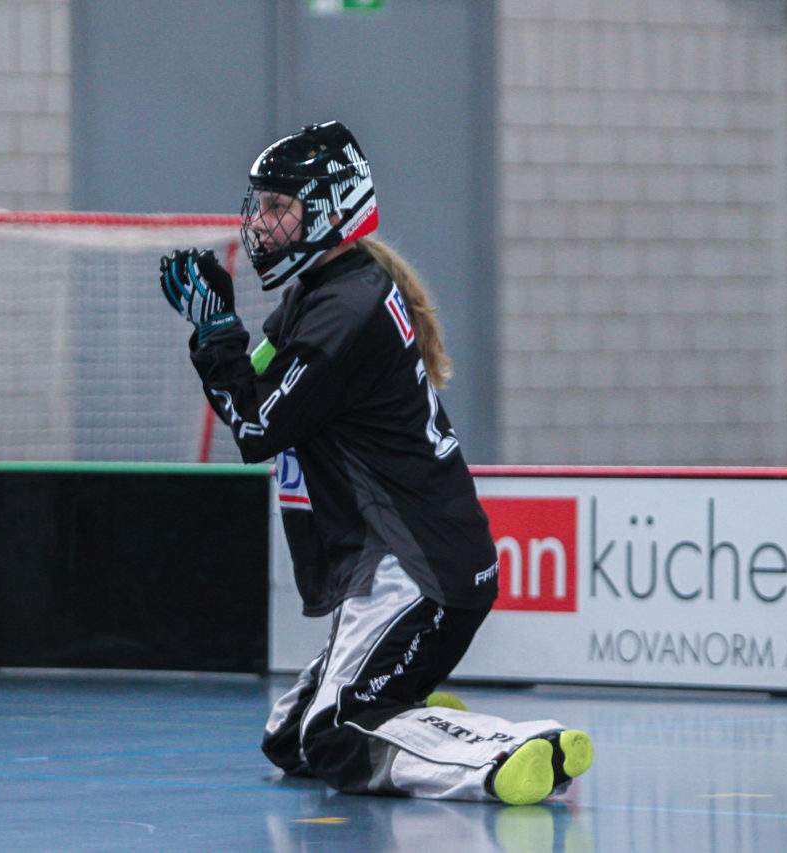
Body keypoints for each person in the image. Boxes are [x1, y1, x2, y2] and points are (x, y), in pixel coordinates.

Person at [158, 120, 592, 805]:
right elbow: (257, 379)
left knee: (330, 739)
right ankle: (413, 712)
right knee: (288, 739)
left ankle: (507, 750)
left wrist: (214, 333)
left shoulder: (346, 311)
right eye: (262, 205)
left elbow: (257, 426)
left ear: (331, 211)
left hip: (411, 570)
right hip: (399, 564)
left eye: (280, 207)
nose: (262, 224)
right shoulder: (322, 292)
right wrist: (218, 326)